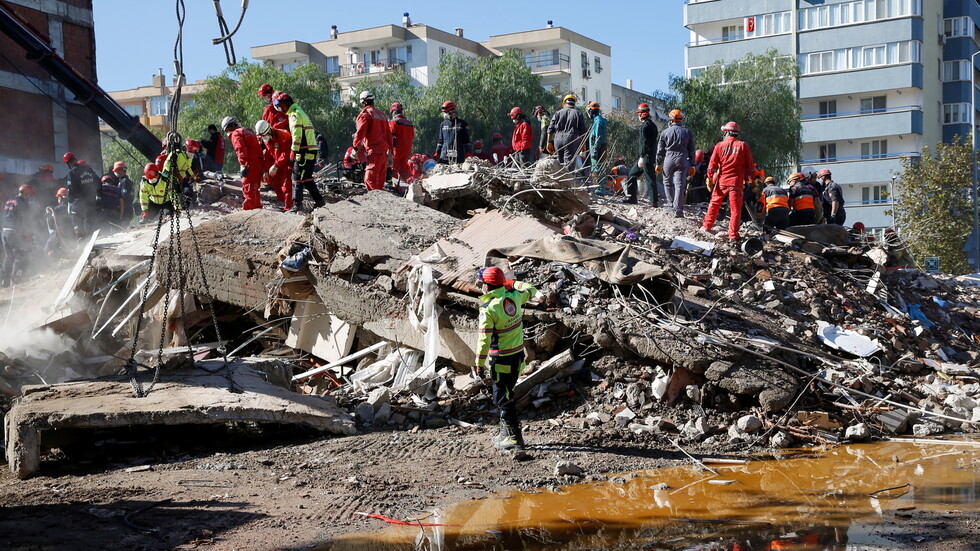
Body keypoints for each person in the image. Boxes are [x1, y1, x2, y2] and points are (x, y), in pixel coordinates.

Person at [474, 266, 537, 452]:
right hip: (518, 357)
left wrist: (478, 363)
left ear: (487, 285)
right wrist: (513, 283)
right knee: (508, 393)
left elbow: (484, 339)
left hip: (501, 360)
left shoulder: (489, 308)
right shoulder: (515, 297)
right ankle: (505, 434)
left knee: (503, 397)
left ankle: (514, 438)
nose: (480, 285)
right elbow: (532, 289)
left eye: (481, 283)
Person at [702, 121, 755, 241]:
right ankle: (733, 235)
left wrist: (709, 179)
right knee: (735, 209)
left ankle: (706, 226)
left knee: (714, 204)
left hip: (722, 182)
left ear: (726, 132)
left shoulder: (719, 146)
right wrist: (752, 179)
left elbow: (712, 165)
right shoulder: (743, 146)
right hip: (736, 183)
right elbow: (750, 166)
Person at [275, 93, 325, 212]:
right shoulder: (298, 111)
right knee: (307, 178)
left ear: (287, 103)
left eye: (282, 105)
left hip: (304, 150)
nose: (281, 108)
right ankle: (319, 201)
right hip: (309, 150)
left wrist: (293, 150)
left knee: (296, 177)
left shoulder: (294, 114)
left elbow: (297, 135)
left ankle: (297, 205)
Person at [350, 91, 393, 192]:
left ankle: (376, 204)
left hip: (374, 152)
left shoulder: (365, 115)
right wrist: (390, 153)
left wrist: (355, 148)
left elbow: (360, 133)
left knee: (370, 180)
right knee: (380, 181)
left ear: (364, 102)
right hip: (383, 154)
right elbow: (389, 135)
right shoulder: (382, 115)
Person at [656, 109, 696, 218]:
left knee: (667, 182)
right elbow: (692, 149)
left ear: (671, 119)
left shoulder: (665, 132)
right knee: (680, 185)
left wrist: (658, 163)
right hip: (683, 159)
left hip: (668, 158)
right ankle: (678, 210)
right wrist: (692, 164)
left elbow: (660, 150)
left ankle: (670, 205)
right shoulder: (687, 132)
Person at [221, 116, 264, 211]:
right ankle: (257, 207)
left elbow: (240, 149)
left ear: (229, 127)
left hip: (250, 163)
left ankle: (249, 210)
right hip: (259, 162)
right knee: (255, 186)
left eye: (226, 130)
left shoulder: (236, 134)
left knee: (248, 186)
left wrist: (243, 164)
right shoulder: (248, 131)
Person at [623, 103, 659, 205]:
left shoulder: (645, 126)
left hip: (646, 156)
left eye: (639, 113)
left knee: (643, 177)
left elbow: (644, 142)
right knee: (635, 175)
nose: (638, 115)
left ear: (642, 114)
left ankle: (650, 201)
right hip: (650, 156)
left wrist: (642, 156)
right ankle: (652, 201)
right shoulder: (652, 125)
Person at [1, 185, 36, 287]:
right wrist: (27, 232)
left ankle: (4, 281)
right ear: (25, 194)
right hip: (13, 231)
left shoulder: (9, 200)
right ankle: (15, 280)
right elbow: (24, 219)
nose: (29, 198)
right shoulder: (23, 203)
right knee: (20, 255)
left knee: (9, 256)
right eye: (29, 195)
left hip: (4, 231)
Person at [255, 119, 294, 210]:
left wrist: (276, 165)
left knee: (286, 185)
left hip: (288, 162)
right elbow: (268, 155)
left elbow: (286, 153)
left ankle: (289, 207)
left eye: (263, 135)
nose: (263, 138)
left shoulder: (283, 134)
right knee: (276, 184)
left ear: (268, 130)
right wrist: (265, 170)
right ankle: (283, 203)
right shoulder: (266, 139)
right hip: (278, 163)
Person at [63, 152, 99, 237]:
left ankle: (82, 242)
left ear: (68, 163)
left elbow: (71, 189)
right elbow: (97, 181)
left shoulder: (72, 172)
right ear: (75, 159)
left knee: (77, 224)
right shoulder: (88, 169)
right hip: (91, 201)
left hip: (79, 202)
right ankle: (91, 239)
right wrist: (98, 195)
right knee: (89, 221)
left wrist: (70, 201)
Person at [546, 95, 587, 170]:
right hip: (571, 140)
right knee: (569, 165)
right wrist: (583, 144)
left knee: (558, 164)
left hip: (557, 140)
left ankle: (559, 181)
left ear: (564, 103)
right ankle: (567, 181)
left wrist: (548, 142)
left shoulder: (557, 113)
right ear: (574, 103)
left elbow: (550, 129)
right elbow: (583, 132)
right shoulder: (578, 114)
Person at [388, 102, 414, 183]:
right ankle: (412, 183)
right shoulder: (409, 123)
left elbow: (390, 137)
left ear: (394, 111)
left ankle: (392, 185)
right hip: (407, 150)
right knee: (404, 169)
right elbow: (412, 136)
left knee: (393, 169)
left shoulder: (393, 122)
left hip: (397, 150)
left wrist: (389, 151)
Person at [44, 187, 73, 256]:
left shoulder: (58, 209)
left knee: (47, 248)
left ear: (61, 197)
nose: (58, 198)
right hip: (69, 232)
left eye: (58, 197)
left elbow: (50, 219)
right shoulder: (71, 205)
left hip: (60, 232)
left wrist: (48, 213)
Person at [585, 102, 608, 187]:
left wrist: (595, 149)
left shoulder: (598, 121)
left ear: (591, 111)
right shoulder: (600, 120)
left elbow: (598, 136)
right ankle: (600, 186)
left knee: (596, 168)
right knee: (599, 167)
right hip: (601, 146)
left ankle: (598, 187)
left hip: (598, 147)